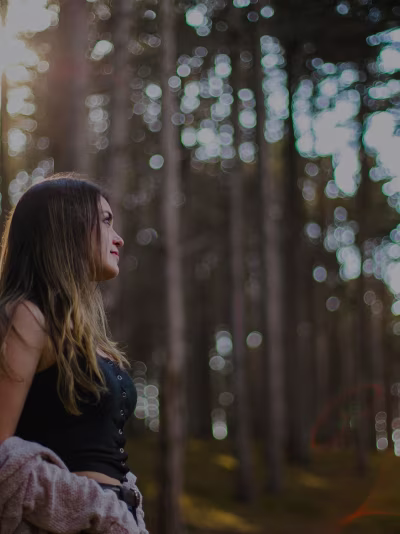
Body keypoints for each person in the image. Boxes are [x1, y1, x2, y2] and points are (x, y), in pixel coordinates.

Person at [0, 173, 146, 533]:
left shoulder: (79, 333)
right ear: (67, 227)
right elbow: (1, 456)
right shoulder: (28, 316)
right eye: (106, 221)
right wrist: (93, 505)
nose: (119, 238)